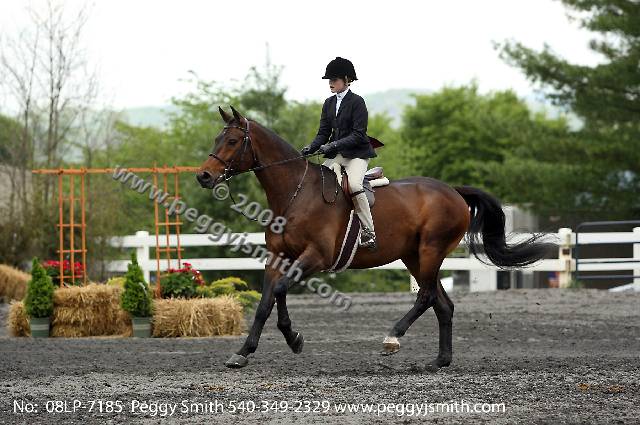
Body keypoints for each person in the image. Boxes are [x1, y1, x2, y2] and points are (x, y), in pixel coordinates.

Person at [301, 57, 378, 250]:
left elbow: (358, 134)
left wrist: (333, 145)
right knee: (316, 182)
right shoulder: (328, 103)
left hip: (357, 154)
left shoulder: (357, 102)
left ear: (346, 79)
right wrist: (312, 147)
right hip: (337, 154)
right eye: (329, 80)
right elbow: (323, 133)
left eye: (334, 80)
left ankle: (369, 232)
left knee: (354, 185)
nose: (330, 83)